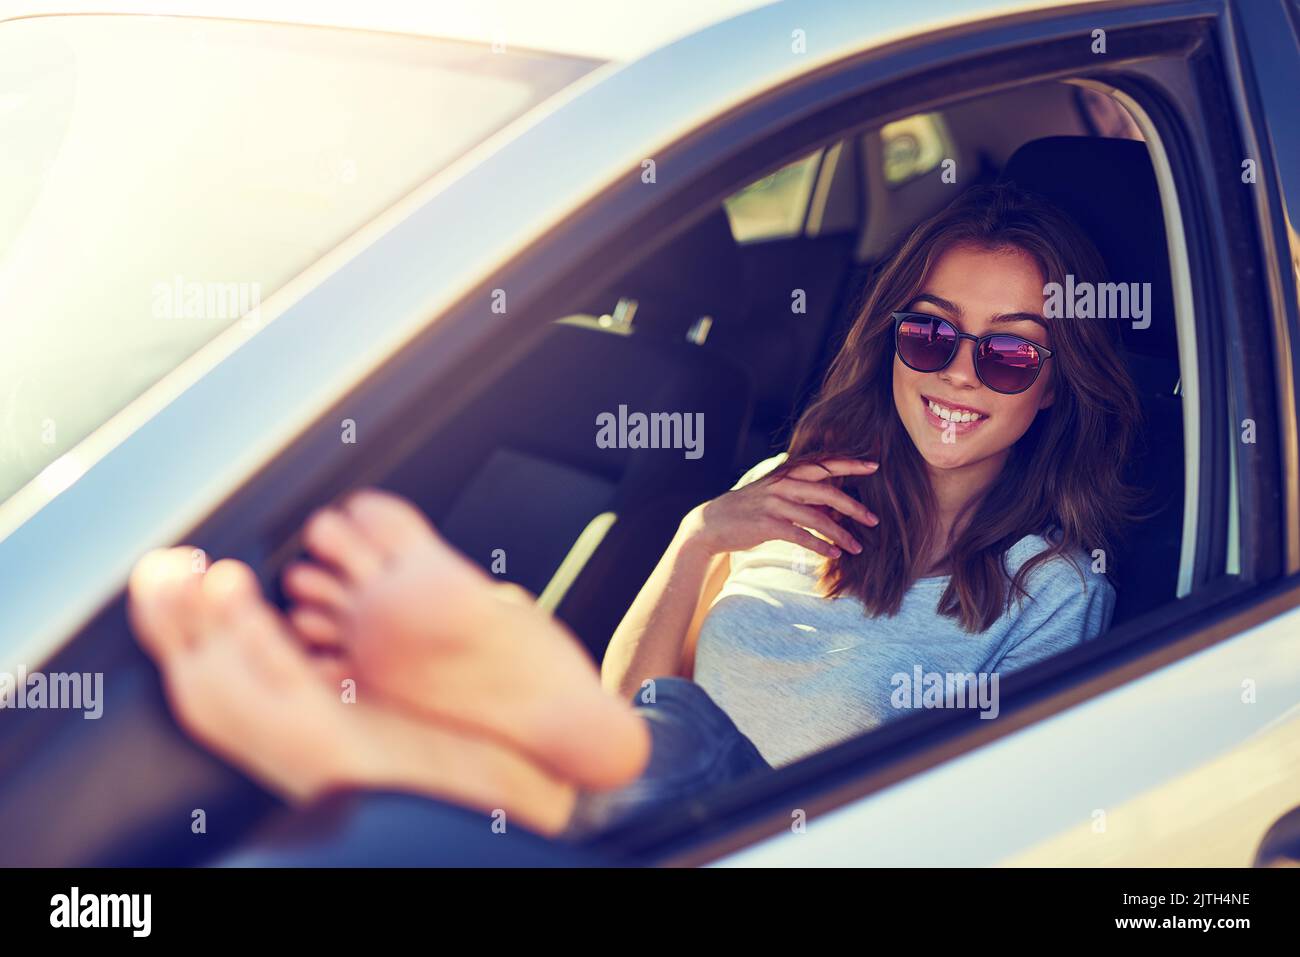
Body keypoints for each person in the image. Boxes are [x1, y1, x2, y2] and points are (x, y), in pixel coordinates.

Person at [127, 182, 1144, 846]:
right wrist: (699, 538)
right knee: (603, 757)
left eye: (1009, 351)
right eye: (929, 334)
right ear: (890, 340)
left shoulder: (1048, 590)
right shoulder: (783, 493)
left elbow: (980, 831)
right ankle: (468, 765)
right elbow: (643, 698)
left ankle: (452, 757)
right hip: (641, 809)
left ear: (1055, 384)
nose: (959, 373)